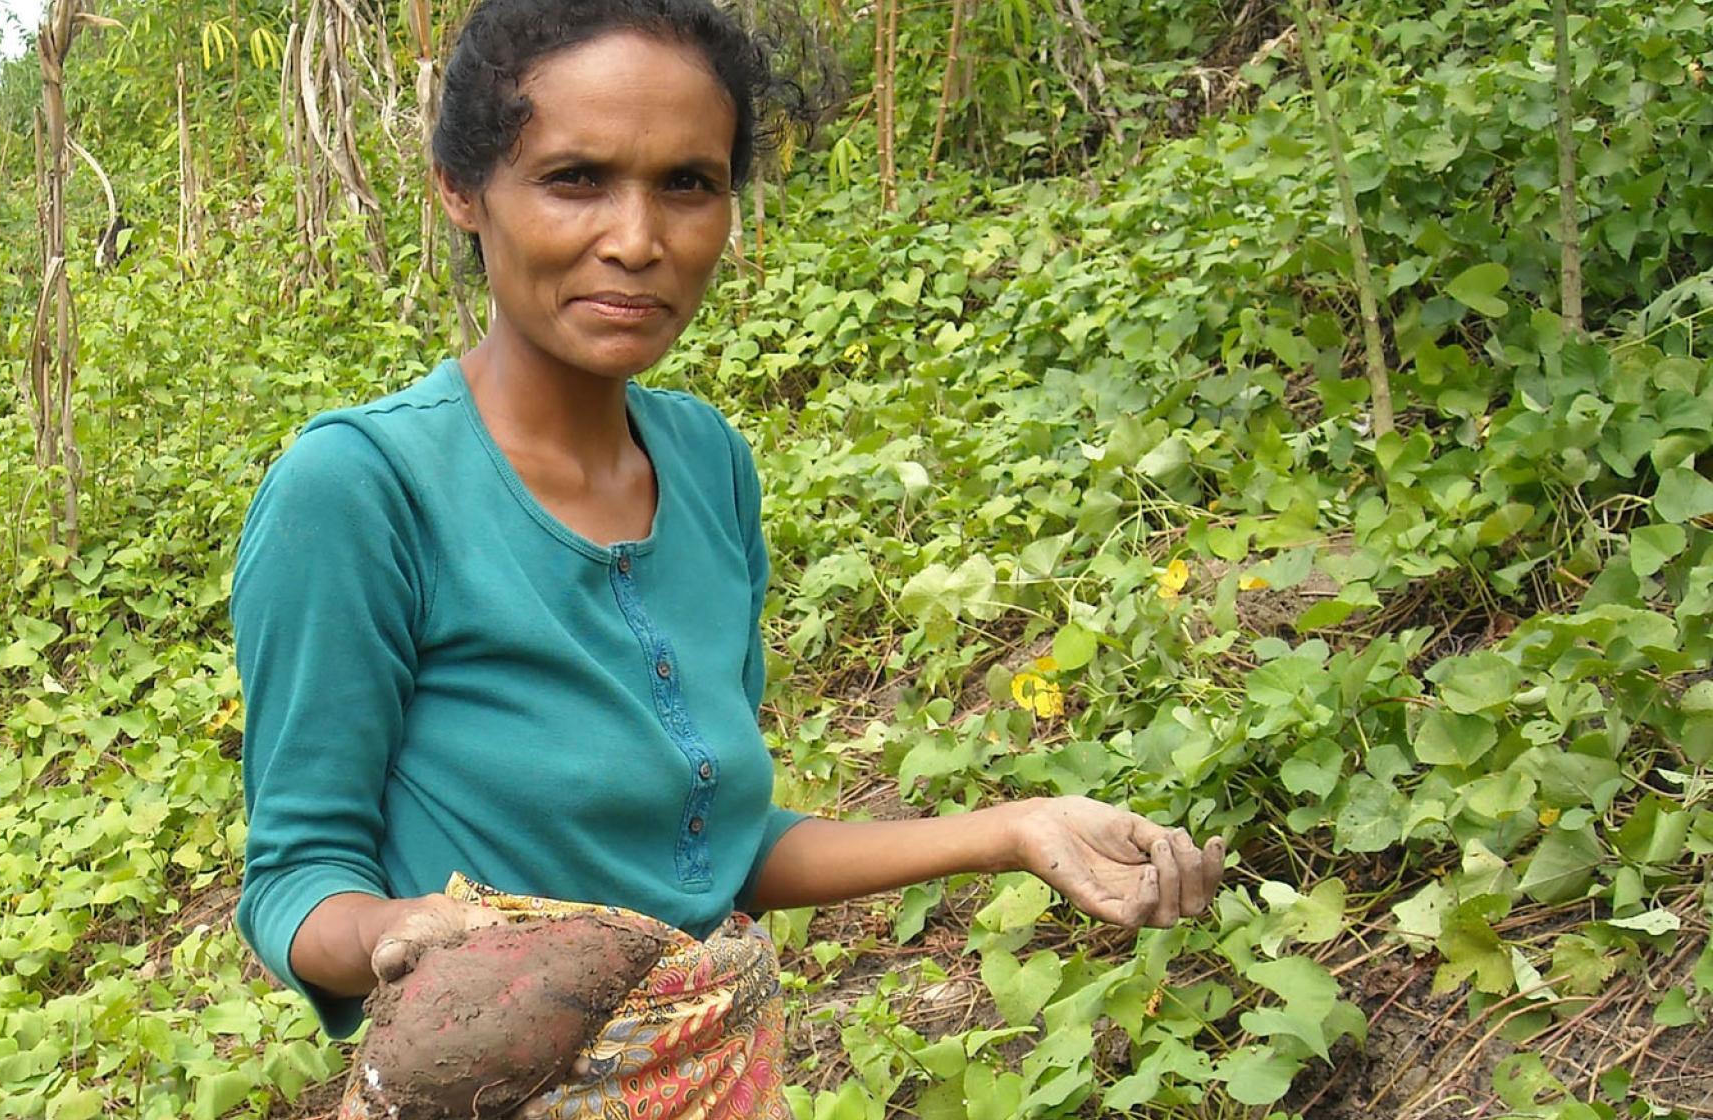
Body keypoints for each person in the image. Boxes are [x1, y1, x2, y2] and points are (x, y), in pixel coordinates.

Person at [230, 1, 1226, 1113]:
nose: (638, 238)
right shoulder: (359, 491)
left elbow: (722, 854)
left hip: (724, 1072)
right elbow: (293, 882)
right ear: (462, 191)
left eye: (688, 184)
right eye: (574, 178)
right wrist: (399, 932)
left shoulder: (707, 464)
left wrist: (1016, 829)